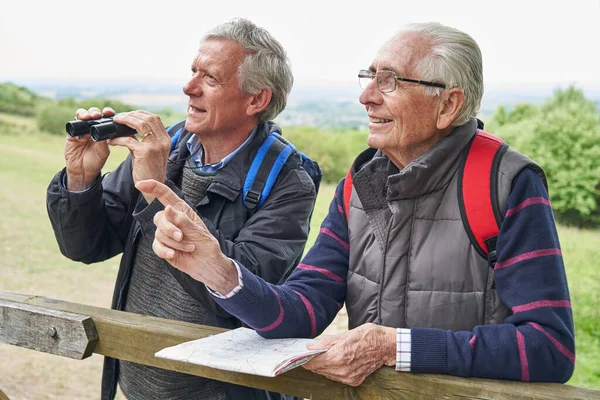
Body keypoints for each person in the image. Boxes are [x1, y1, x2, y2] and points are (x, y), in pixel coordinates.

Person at [137, 21, 575, 387]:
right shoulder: (357, 188)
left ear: (448, 105)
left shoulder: (506, 183)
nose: (366, 97)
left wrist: (393, 347)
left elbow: (549, 347)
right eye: (370, 77)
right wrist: (218, 270)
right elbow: (302, 312)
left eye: (390, 82)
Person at [46, 18, 317, 400]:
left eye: (210, 78)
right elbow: (86, 247)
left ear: (256, 99)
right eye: (193, 71)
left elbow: (241, 289)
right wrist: (81, 179)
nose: (188, 87)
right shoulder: (169, 147)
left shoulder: (289, 180)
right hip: (136, 380)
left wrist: (159, 188)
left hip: (220, 392)